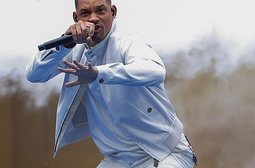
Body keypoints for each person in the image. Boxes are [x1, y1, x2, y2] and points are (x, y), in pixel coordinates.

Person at [26, 0, 197, 167]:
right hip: (117, 160)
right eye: (85, 13)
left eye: (101, 11)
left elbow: (155, 70)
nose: (93, 19)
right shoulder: (73, 50)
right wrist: (65, 41)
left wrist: (99, 73)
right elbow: (34, 75)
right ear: (75, 17)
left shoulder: (128, 42)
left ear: (113, 12)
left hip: (163, 152)